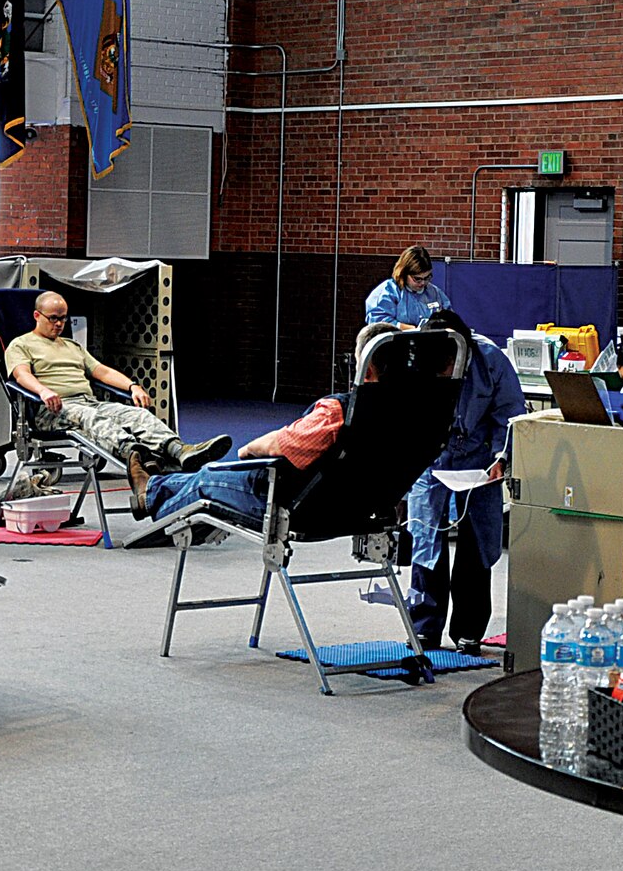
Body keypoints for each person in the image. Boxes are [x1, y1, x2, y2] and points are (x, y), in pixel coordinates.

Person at [130, 323, 401, 522]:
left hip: (299, 506)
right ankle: (153, 487)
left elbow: (277, 445)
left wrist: (248, 450)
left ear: (366, 368)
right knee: (205, 477)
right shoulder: (408, 417)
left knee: (208, 478)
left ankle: (152, 501)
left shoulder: (338, 413)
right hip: (359, 507)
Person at [405, 309, 525, 655]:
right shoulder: (413, 358)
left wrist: (502, 457)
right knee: (426, 542)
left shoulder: (491, 361)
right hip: (430, 460)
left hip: (479, 460)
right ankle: (424, 628)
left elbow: (510, 414)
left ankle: (469, 631)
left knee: (477, 544)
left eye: (448, 366)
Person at [6, 291, 229, 471]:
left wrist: (133, 386)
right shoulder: (21, 344)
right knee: (90, 417)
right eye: (53, 318)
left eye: (63, 318)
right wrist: (43, 391)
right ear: (37, 315)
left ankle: (180, 452)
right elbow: (21, 375)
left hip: (89, 402)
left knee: (137, 415)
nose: (59, 324)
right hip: (53, 409)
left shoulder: (72, 346)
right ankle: (137, 456)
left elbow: (102, 372)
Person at [364, 245, 450, 327]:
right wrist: (411, 329)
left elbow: (449, 319)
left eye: (427, 277)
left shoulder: (435, 293)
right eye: (417, 279)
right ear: (404, 274)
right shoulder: (388, 291)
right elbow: (378, 322)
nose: (423, 283)